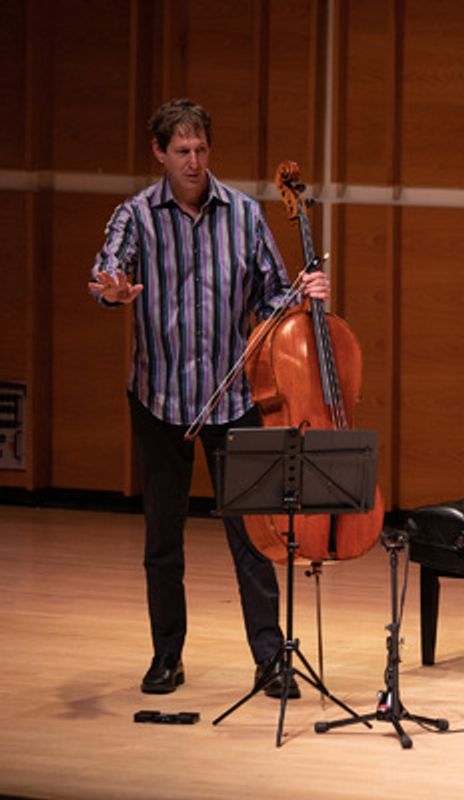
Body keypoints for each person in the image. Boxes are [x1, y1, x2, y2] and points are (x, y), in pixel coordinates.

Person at [88, 98, 328, 697]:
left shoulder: (245, 216)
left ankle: (270, 658)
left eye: (201, 151)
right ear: (160, 154)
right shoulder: (136, 215)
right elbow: (107, 272)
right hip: (159, 399)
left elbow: (273, 299)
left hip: (232, 399)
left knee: (252, 535)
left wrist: (303, 293)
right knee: (163, 541)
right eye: (182, 152)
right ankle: (166, 655)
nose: (193, 163)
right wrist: (115, 292)